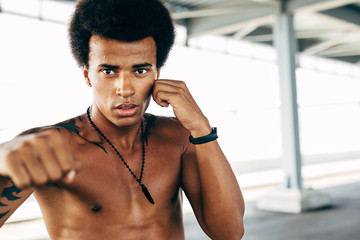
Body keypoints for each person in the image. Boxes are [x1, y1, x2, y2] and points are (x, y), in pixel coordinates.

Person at [0, 0, 245, 239]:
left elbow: (229, 233)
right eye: (108, 71)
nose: (125, 89)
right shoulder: (52, 146)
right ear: (87, 75)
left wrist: (201, 128)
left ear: (157, 74)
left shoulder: (179, 138)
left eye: (140, 71)